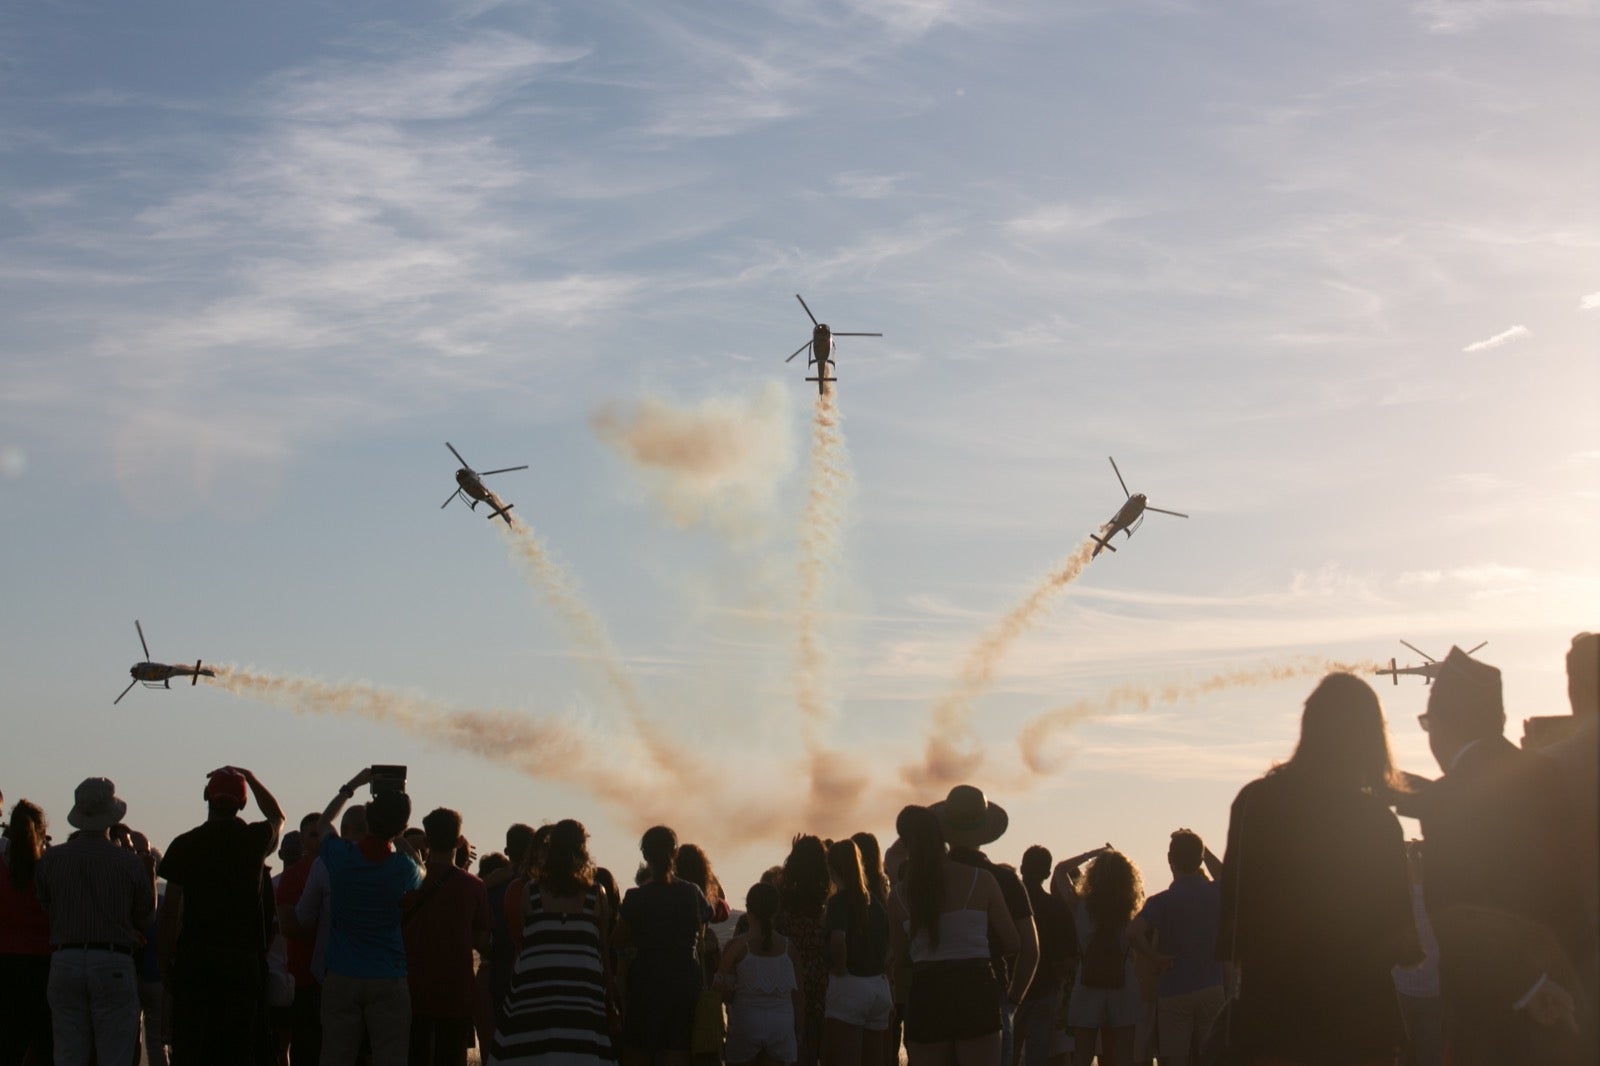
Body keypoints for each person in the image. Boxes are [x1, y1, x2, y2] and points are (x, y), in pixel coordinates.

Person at [1217, 672, 1420, 1065]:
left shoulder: (1254, 803)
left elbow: (1233, 923)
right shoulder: (1376, 820)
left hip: (1272, 1018)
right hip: (1357, 1023)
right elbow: (1401, 940)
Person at [1413, 647, 1589, 1065]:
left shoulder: (1446, 798)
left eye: (1426, 723)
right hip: (1569, 1001)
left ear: (1444, 722)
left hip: (1491, 1020)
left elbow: (1455, 915)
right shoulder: (1544, 774)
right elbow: (1566, 891)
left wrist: (1526, 988)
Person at [158, 765, 285, 1065]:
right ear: (242, 804)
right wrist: (251, 778)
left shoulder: (184, 844)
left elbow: (170, 911)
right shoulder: (253, 840)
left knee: (193, 1048)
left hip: (195, 961)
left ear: (207, 797)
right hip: (242, 962)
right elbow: (277, 817)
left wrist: (165, 962)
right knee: (239, 1048)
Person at [35, 777, 156, 1066]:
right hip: (112, 958)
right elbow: (145, 917)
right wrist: (149, 873)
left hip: (66, 957)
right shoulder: (127, 863)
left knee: (68, 1052)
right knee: (115, 1053)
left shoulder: (52, 860)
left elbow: (45, 905)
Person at [886, 805, 1019, 1066]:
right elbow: (1013, 942)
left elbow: (901, 959)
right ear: (942, 836)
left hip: (927, 993)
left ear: (906, 842)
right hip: (975, 989)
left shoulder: (900, 896)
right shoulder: (981, 880)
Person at [315, 767, 425, 1066]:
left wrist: (351, 786)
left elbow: (323, 824)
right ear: (400, 826)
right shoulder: (402, 869)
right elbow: (420, 867)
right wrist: (399, 832)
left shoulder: (342, 857)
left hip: (341, 971)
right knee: (391, 1057)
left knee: (336, 1055)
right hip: (387, 973)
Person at [488, 818, 614, 1064]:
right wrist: (610, 999)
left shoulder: (531, 892)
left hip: (534, 990)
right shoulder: (596, 894)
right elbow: (603, 951)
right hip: (583, 991)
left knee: (530, 1054)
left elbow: (526, 940)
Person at [933, 785, 1039, 1066]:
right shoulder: (1003, 880)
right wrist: (1014, 1000)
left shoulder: (923, 880)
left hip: (933, 992)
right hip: (988, 994)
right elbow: (1029, 949)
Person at [616, 825, 713, 1066]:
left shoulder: (635, 898)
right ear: (674, 853)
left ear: (645, 856)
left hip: (645, 983)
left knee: (638, 1051)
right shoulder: (692, 893)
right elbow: (709, 917)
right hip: (683, 983)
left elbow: (616, 940)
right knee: (677, 1050)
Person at [404, 807, 491, 1066]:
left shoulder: (409, 882)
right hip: (456, 992)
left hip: (412, 989)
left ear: (427, 841)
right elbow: (482, 940)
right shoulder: (474, 887)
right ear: (459, 841)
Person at [1128, 831, 1222, 1066]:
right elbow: (1226, 875)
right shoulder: (1216, 892)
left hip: (1174, 990)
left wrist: (1155, 956)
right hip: (1212, 984)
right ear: (1200, 860)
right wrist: (1203, 849)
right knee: (1212, 1056)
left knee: (1175, 1059)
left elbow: (1132, 932)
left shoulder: (1160, 902)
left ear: (1170, 859)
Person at [1064, 850, 1142, 1066]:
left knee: (1083, 1052)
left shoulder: (1080, 907)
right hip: (1123, 980)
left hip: (1088, 980)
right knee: (1124, 1052)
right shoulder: (1130, 911)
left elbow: (1060, 870)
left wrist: (1093, 853)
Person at [822, 839, 891, 1066]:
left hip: (851, 984)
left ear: (832, 869)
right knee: (875, 1059)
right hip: (878, 985)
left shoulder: (839, 902)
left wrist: (839, 966)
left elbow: (838, 938)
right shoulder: (876, 904)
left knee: (845, 1058)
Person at [717, 882, 801, 1066]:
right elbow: (797, 997)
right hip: (781, 1025)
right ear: (776, 911)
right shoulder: (789, 949)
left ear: (749, 911)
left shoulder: (737, 947)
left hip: (746, 1023)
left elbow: (724, 991)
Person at [0, 800, 52, 1066]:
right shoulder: (48, 870)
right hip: (43, 964)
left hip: (5, 961)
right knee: (44, 1046)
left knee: (8, 1044)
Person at [1013, 846, 1075, 1066]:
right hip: (1046, 987)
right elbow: (1070, 953)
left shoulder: (1008, 903)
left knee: (1008, 1051)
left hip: (1012, 986)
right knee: (1037, 1055)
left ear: (1021, 868)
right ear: (1047, 874)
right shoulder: (1056, 907)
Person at [775, 835, 832, 1066]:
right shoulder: (824, 904)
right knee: (814, 1043)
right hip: (819, 980)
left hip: (789, 978)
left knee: (791, 1044)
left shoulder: (783, 902)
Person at [275, 813, 326, 1065]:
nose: (321, 840)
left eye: (324, 834)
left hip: (336, 977)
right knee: (305, 1048)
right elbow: (288, 926)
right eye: (314, 835)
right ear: (304, 841)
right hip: (303, 977)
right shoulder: (293, 877)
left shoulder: (341, 869)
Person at [1391, 841, 1441, 1066]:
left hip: (1415, 992)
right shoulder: (1430, 953)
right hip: (1418, 993)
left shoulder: (1429, 894)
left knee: (1412, 1052)